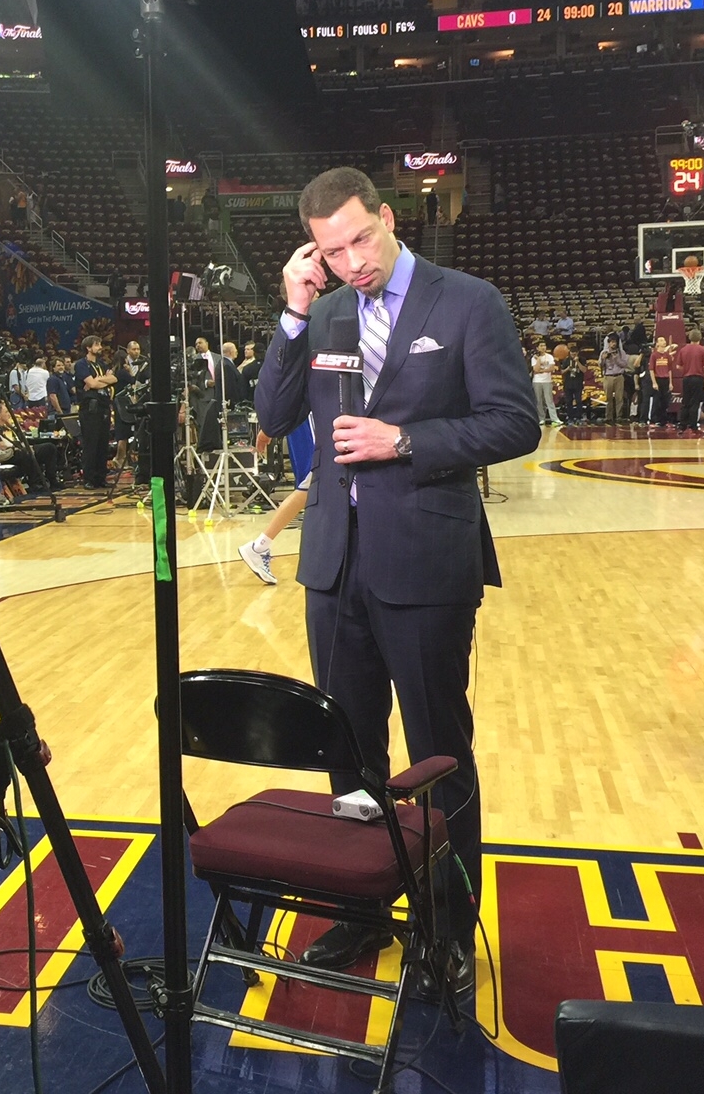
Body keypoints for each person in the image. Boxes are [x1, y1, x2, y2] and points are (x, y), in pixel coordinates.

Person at [254, 166, 538, 997]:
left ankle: (447, 926)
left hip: (425, 564)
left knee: (439, 757)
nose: (351, 262)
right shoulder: (329, 307)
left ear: (387, 217)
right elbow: (273, 418)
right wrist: (293, 311)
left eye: (360, 240)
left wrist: (403, 440)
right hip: (334, 565)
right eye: (331, 251)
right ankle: (364, 910)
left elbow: (514, 421)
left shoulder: (467, 301)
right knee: (348, 752)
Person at [239, 418, 314, 585]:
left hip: (311, 420)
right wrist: (269, 427)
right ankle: (259, 546)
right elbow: (288, 394)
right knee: (312, 484)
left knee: (315, 488)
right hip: (309, 420)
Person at [74, 335, 116, 488]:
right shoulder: (81, 364)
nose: (100, 347)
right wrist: (100, 381)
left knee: (103, 444)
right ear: (88, 347)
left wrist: (99, 381)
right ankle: (89, 478)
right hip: (89, 409)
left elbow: (114, 379)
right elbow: (92, 383)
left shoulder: (101, 364)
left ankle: (101, 477)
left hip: (103, 407)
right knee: (91, 444)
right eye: (97, 345)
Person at [675, 329, 704, 432]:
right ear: (700, 338)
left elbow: (678, 366)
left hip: (686, 378)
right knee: (695, 402)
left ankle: (682, 425)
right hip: (698, 378)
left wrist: (686, 368)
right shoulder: (703, 350)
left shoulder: (683, 350)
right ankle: (693, 425)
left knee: (685, 402)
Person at [598, 334, 629, 425]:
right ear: (608, 343)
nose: (613, 344)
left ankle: (619, 416)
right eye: (611, 342)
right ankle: (608, 417)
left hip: (619, 376)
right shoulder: (603, 352)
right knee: (608, 398)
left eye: (615, 342)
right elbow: (600, 365)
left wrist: (617, 359)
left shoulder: (621, 352)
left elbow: (625, 365)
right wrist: (603, 359)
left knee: (619, 398)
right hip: (608, 376)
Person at [529, 341, 560, 425]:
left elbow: (551, 368)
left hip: (547, 381)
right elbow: (535, 369)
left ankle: (554, 418)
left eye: (544, 345)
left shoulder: (549, 357)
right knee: (539, 401)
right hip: (537, 381)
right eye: (541, 345)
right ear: (537, 348)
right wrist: (538, 360)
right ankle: (541, 418)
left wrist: (542, 370)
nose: (543, 347)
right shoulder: (534, 358)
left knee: (549, 400)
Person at [649, 336, 677, 426]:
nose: (663, 342)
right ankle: (654, 419)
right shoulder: (654, 355)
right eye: (661, 340)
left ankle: (663, 420)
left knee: (665, 401)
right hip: (658, 379)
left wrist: (670, 382)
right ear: (657, 344)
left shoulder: (667, 356)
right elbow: (651, 369)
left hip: (665, 380)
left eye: (664, 340)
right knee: (657, 401)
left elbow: (669, 370)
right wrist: (654, 382)